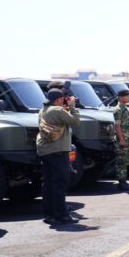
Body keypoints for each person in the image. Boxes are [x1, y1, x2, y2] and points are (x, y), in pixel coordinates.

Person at [36, 89, 81, 224]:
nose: (64, 101)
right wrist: (73, 107)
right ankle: (61, 215)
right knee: (60, 183)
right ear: (58, 100)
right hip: (58, 151)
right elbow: (75, 122)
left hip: (46, 151)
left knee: (49, 184)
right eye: (62, 99)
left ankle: (49, 215)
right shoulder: (57, 110)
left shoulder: (43, 110)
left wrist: (66, 108)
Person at [113, 89, 129, 191]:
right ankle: (122, 184)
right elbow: (117, 126)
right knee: (121, 162)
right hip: (122, 140)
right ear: (121, 97)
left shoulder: (124, 108)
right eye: (126, 96)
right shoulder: (118, 109)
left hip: (127, 139)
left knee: (125, 161)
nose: (128, 98)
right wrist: (122, 140)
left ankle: (124, 182)